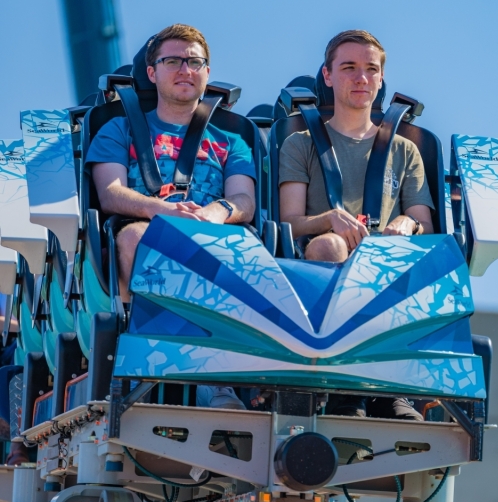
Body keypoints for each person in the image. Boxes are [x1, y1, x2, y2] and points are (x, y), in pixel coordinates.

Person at [86, 23, 257, 410]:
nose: (185, 69)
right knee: (133, 238)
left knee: (249, 248)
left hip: (213, 232)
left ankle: (219, 379)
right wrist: (163, 210)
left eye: (195, 62)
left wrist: (216, 213)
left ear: (207, 72)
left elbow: (244, 200)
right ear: (152, 72)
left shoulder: (231, 141)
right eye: (173, 61)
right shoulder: (120, 129)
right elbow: (110, 193)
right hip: (149, 225)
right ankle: (151, 353)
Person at [278, 29, 434, 420]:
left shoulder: (404, 150)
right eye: (348, 68)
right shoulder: (300, 143)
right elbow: (288, 224)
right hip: (316, 268)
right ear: (328, 76)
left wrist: (404, 223)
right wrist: (328, 220)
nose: (361, 78)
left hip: (382, 263)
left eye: (370, 69)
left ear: (381, 79)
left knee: (402, 256)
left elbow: (423, 224)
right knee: (330, 247)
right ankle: (343, 386)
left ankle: (385, 389)